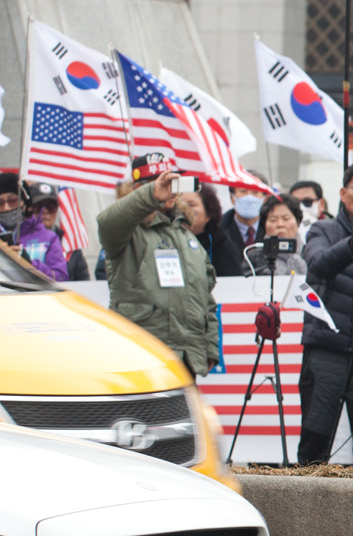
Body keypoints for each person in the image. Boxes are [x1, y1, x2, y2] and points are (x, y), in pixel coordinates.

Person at [97, 154, 220, 377]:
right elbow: (107, 223)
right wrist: (150, 196)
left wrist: (209, 347)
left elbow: (206, 298)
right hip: (140, 354)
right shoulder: (129, 231)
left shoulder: (186, 234)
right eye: (160, 183)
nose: (168, 189)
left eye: (172, 182)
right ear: (138, 188)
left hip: (186, 359)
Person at [300, 160, 353, 465]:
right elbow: (318, 265)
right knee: (315, 436)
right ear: (342, 193)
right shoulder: (323, 229)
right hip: (327, 348)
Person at [12, 181, 71, 281]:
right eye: (38, 206)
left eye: (51, 206)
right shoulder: (14, 234)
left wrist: (29, 263)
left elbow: (62, 278)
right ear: (28, 207)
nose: (45, 210)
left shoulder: (56, 239)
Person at [246, 195, 308, 277]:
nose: (280, 224)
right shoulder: (253, 257)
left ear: (297, 222)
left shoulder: (309, 253)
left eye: (286, 218)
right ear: (265, 225)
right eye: (273, 219)